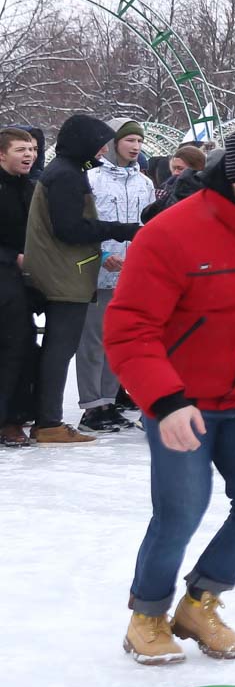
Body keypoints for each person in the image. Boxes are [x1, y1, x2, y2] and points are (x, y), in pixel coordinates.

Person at [106, 122, 235, 665]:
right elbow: (130, 327)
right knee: (180, 511)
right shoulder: (172, 233)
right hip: (182, 400)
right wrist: (166, 402)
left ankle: (201, 602)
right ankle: (147, 615)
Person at [24, 113, 143, 444]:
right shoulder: (67, 176)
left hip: (67, 272)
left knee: (60, 349)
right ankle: (48, 422)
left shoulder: (66, 171)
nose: (102, 152)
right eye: (99, 145)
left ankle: (47, 419)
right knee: (60, 350)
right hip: (66, 275)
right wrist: (121, 230)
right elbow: (70, 229)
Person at [73, 118, 154, 435]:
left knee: (120, 340)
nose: (135, 146)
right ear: (112, 143)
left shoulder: (144, 184)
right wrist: (102, 255)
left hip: (132, 274)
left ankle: (110, 400)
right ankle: (92, 405)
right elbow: (82, 226)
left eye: (138, 140)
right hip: (97, 271)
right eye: (129, 139)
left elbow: (149, 227)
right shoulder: (90, 179)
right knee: (92, 340)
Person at [0, 128, 40, 447]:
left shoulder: (30, 187)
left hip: (21, 280)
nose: (28, 155)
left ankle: (13, 417)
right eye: (20, 150)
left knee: (21, 346)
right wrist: (12, 256)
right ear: (1, 154)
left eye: (32, 149)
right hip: (6, 274)